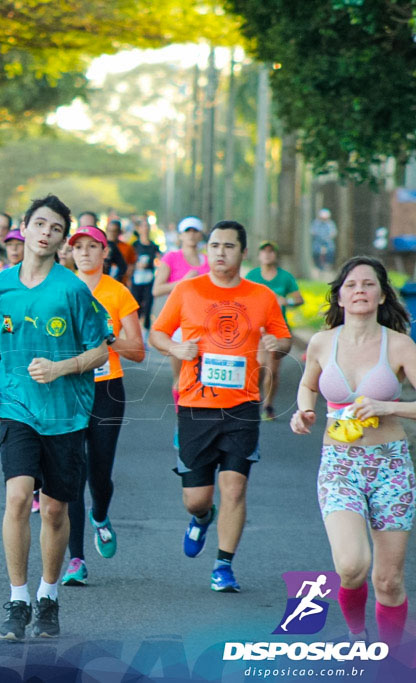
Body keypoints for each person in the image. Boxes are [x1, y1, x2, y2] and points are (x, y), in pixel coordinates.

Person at [0, 195, 108, 641]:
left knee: (54, 510)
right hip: (16, 403)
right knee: (17, 498)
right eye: (39, 224)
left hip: (66, 412)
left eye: (55, 228)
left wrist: (60, 368)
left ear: (61, 240)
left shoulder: (72, 289)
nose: (45, 233)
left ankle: (48, 596)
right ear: (25, 228)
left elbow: (99, 350)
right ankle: (18, 599)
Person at [150, 220, 291, 592]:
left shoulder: (261, 296)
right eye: (214, 245)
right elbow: (158, 333)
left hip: (242, 405)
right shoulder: (187, 290)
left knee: (235, 489)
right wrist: (177, 349)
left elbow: (283, 335)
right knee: (196, 498)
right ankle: (201, 518)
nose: (219, 252)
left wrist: (280, 345)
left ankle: (223, 565)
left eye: (228, 246)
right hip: (195, 405)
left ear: (243, 253)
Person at [290, 256, 415, 647]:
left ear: (381, 296)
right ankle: (356, 635)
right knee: (351, 566)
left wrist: (387, 407)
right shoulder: (323, 342)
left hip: (391, 465)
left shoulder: (399, 344)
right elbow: (309, 385)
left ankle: (390, 656)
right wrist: (304, 410)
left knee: (388, 580)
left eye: (369, 284)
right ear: (340, 297)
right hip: (339, 464)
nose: (359, 290)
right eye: (351, 285)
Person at [62, 225, 144, 586]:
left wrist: (108, 337)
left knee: (99, 473)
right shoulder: (60, 289)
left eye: (91, 246)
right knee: (73, 474)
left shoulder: (118, 293)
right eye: (77, 246)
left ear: (104, 252)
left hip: (107, 390)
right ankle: (76, 559)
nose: (84, 253)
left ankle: (101, 514)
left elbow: (138, 352)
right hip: (68, 389)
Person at [153, 216, 210, 447]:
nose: (191, 235)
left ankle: (202, 426)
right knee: (180, 379)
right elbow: (157, 289)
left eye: (195, 231)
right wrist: (183, 282)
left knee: (204, 378)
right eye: (187, 231)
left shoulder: (207, 261)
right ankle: (182, 425)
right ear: (180, 234)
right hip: (177, 325)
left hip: (203, 326)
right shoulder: (172, 257)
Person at [244, 241, 303, 420]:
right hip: (258, 328)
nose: (268, 255)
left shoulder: (285, 278)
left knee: (273, 369)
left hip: (278, 328)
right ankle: (255, 398)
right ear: (259, 255)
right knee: (260, 366)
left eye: (271, 252)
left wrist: (286, 301)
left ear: (275, 255)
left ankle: (268, 405)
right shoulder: (252, 275)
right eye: (264, 252)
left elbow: (298, 299)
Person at [130, 218, 161, 331]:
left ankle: (146, 335)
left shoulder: (154, 246)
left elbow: (160, 260)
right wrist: (136, 265)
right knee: (135, 308)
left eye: (147, 226)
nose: (145, 229)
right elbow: (128, 261)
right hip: (136, 279)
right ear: (138, 229)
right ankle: (135, 332)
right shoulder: (134, 245)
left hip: (149, 279)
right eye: (142, 226)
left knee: (148, 307)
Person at [103, 219, 132, 285]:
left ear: (119, 232)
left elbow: (126, 265)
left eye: (114, 231)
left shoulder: (126, 247)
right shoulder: (100, 245)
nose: (112, 234)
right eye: (110, 231)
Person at [311, 208, 338, 272]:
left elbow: (333, 233)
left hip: (327, 242)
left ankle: (328, 266)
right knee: (316, 252)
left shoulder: (330, 224)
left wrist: (327, 238)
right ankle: (318, 267)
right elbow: (313, 232)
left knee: (330, 251)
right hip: (318, 242)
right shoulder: (316, 223)